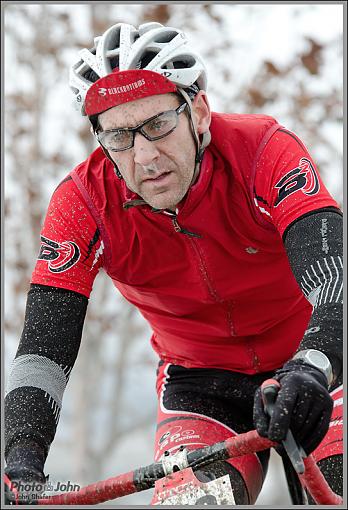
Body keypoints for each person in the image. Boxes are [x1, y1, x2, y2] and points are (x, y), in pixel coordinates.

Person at [5, 21, 343, 505]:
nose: (144, 156)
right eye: (119, 137)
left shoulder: (264, 149)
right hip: (199, 380)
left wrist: (315, 366)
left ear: (198, 112)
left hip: (316, 360)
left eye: (158, 124)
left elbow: (335, 279)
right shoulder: (82, 201)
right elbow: (43, 348)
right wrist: (21, 453)